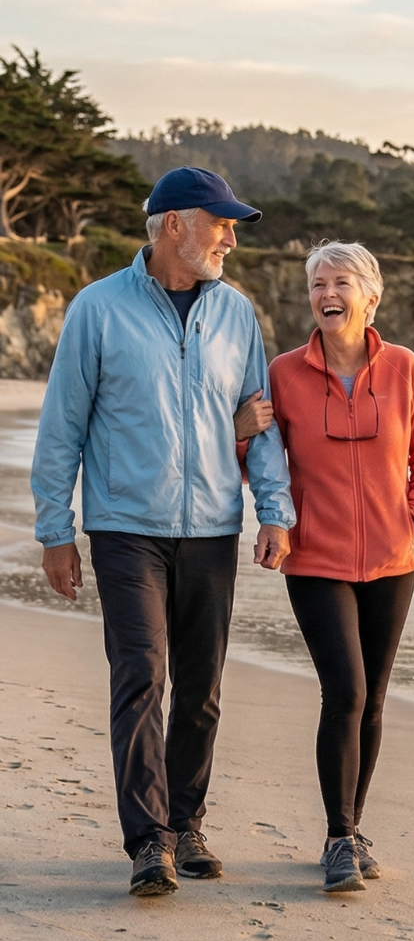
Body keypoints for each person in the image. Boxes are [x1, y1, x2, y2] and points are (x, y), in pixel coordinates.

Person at [30, 166, 295, 897]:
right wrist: (57, 528)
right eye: (221, 224)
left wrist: (275, 509)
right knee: (142, 676)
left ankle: (186, 823)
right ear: (175, 223)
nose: (230, 240)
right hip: (124, 527)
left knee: (201, 688)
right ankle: (149, 840)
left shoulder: (235, 314)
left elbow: (261, 421)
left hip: (212, 526)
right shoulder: (98, 309)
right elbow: (63, 426)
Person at [253, 241, 414, 893]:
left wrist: (412, 516)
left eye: (339, 282)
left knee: (375, 698)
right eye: (316, 284)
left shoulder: (404, 368)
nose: (325, 294)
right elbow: (259, 456)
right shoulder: (283, 373)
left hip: (393, 560)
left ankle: (352, 827)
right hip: (316, 559)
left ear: (370, 295)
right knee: (347, 691)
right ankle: (339, 838)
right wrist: (237, 431)